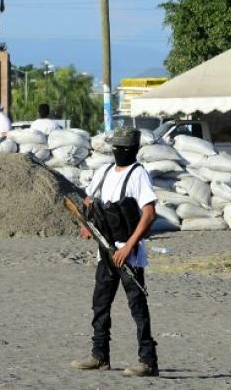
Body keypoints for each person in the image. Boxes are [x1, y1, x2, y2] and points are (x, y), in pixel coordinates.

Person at [71, 128, 159, 377]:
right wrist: (85, 224)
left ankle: (148, 361)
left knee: (137, 306)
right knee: (100, 303)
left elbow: (149, 214)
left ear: (132, 150)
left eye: (122, 149)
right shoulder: (104, 172)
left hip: (128, 253)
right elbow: (88, 201)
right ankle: (100, 356)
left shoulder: (139, 174)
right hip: (105, 250)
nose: (118, 153)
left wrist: (129, 247)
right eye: (116, 148)